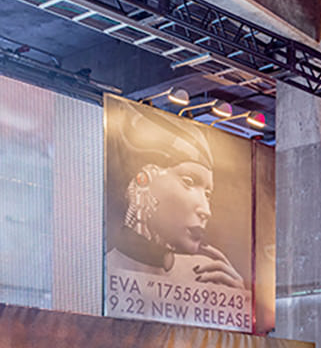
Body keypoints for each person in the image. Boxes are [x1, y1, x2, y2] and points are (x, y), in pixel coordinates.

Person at [104, 98, 244, 288]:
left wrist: (238, 297)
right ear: (144, 179)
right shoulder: (100, 274)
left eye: (207, 194)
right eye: (189, 182)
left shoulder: (209, 276)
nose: (206, 211)